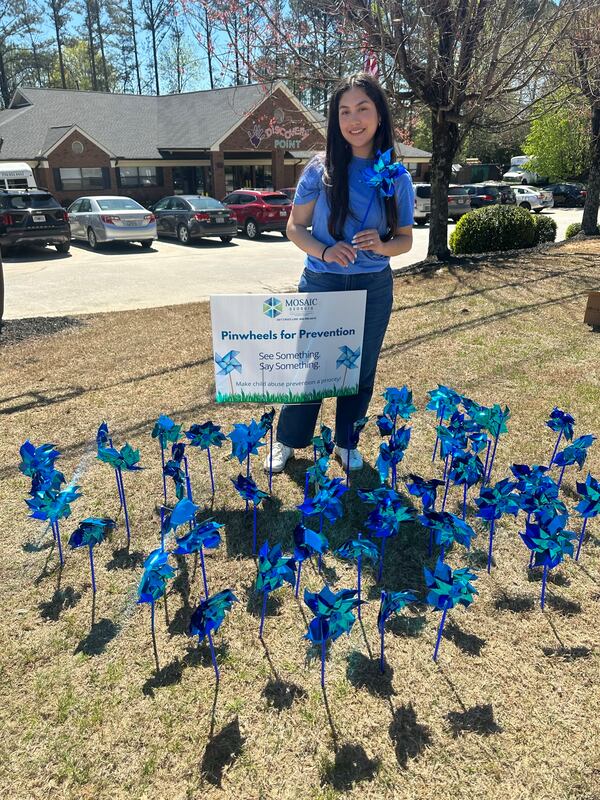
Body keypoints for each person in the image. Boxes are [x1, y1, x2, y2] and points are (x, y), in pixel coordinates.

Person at [264, 72, 414, 475]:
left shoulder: (397, 177)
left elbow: (405, 240)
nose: (354, 119)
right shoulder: (320, 168)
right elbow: (294, 228)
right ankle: (287, 441)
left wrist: (383, 247)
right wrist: (327, 251)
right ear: (336, 120)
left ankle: (347, 440)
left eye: (363, 108)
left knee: (360, 366)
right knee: (310, 365)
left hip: (372, 286)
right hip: (322, 281)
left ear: (379, 114)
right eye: (344, 111)